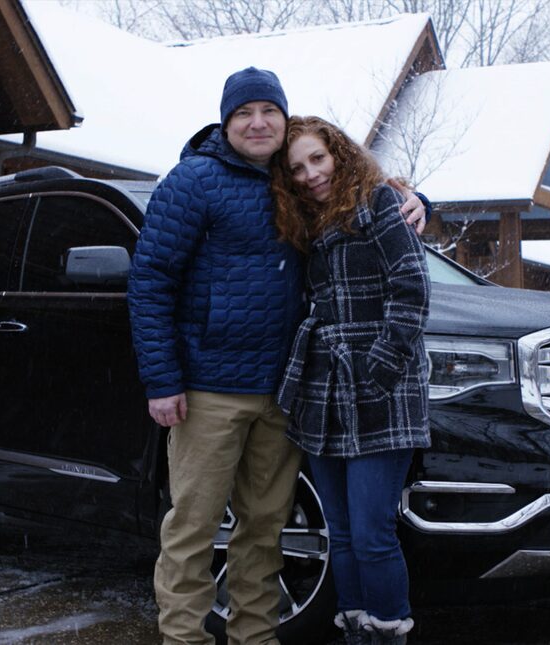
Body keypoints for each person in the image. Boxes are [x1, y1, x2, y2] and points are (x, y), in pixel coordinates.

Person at [128, 69, 426, 645]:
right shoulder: (193, 181)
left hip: (286, 394)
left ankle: (256, 637)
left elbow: (360, 211)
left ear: (285, 120)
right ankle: (184, 638)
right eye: (244, 113)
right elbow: (150, 280)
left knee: (264, 530)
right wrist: (162, 380)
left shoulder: (293, 183)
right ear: (225, 122)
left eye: (269, 111)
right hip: (209, 389)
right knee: (193, 528)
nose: (258, 122)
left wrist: (413, 200)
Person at [272, 116, 432, 645]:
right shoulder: (304, 220)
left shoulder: (380, 202)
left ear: (338, 153)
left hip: (382, 388)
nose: (310, 174)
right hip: (323, 391)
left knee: (371, 532)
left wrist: (379, 367)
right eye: (297, 168)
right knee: (339, 531)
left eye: (317, 158)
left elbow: (411, 287)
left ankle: (387, 632)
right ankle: (356, 628)